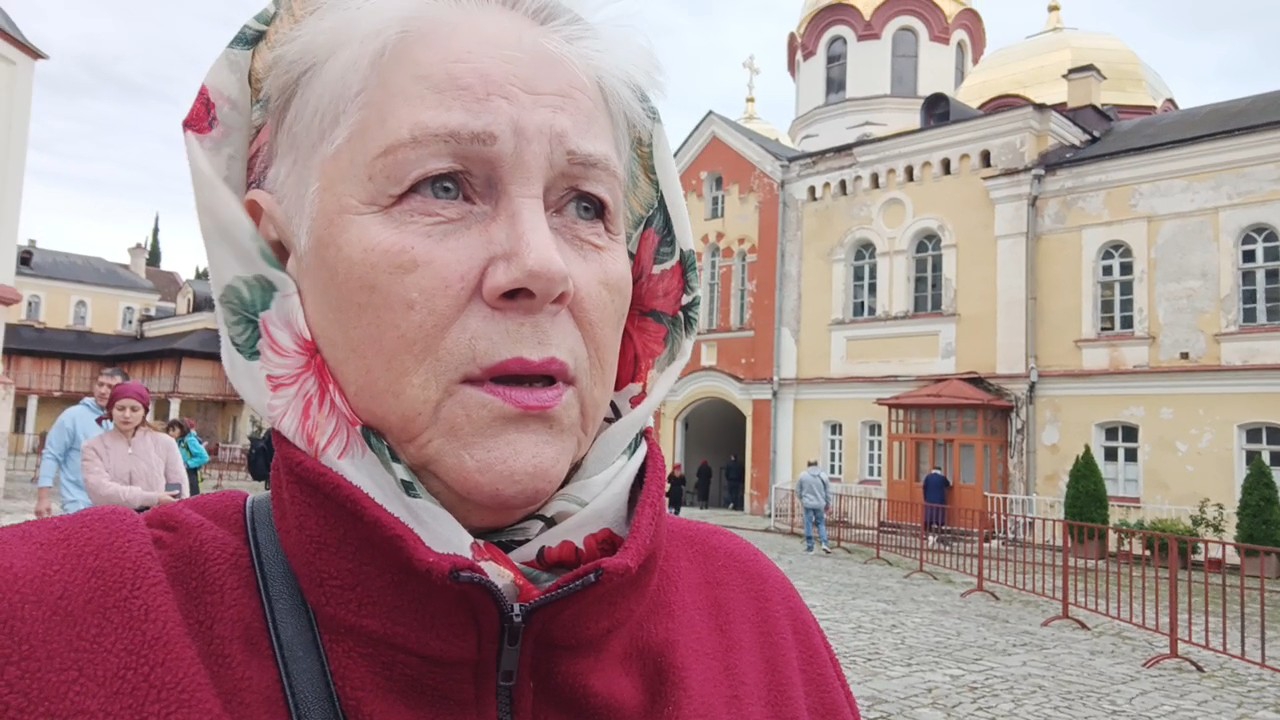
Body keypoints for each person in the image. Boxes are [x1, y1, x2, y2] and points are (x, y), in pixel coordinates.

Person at [0, 2, 859, 718]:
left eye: (587, 205)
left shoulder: (759, 630)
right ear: (276, 252)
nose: (541, 266)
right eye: (444, 185)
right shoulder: (49, 626)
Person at [32, 367, 129, 517]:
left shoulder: (125, 421)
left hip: (115, 506)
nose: (103, 391)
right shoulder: (73, 416)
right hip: (78, 503)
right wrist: (43, 498)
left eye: (110, 387)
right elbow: (51, 455)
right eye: (100, 384)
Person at [82, 383, 191, 511]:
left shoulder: (165, 443)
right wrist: (153, 498)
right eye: (120, 408)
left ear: (144, 411)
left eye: (134, 409)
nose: (127, 415)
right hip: (113, 520)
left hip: (157, 520)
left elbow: (178, 488)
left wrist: (172, 508)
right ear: (111, 409)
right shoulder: (94, 446)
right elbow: (100, 491)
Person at [795, 460, 832, 555]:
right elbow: (828, 492)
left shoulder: (803, 476)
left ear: (808, 465)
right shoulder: (823, 476)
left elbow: (798, 490)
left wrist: (802, 499)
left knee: (808, 523)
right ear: (817, 465)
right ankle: (824, 542)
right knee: (821, 523)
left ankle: (810, 546)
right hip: (820, 503)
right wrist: (828, 503)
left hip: (808, 503)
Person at [167, 418, 211, 497]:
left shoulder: (189, 440)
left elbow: (204, 457)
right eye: (169, 430)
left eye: (173, 430)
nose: (170, 433)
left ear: (182, 429)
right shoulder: (176, 442)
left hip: (189, 473)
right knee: (175, 499)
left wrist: (187, 464)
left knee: (189, 499)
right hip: (176, 473)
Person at [922, 465, 952, 547]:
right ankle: (939, 531)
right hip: (939, 501)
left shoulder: (928, 477)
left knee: (929, 516)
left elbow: (924, 487)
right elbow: (948, 484)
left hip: (929, 500)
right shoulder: (942, 478)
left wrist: (925, 498)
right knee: (939, 516)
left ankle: (928, 532)